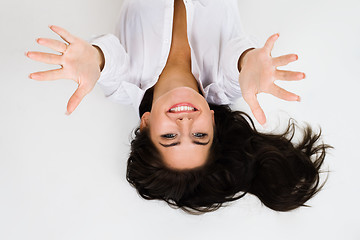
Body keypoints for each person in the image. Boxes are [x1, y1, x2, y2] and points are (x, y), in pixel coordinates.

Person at [26, 0, 332, 214]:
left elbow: (109, 61)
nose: (185, 123)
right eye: (200, 136)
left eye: (169, 137)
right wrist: (248, 61)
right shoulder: (226, 86)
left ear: (145, 124)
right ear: (212, 121)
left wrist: (94, 58)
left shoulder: (124, 84)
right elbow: (237, 63)